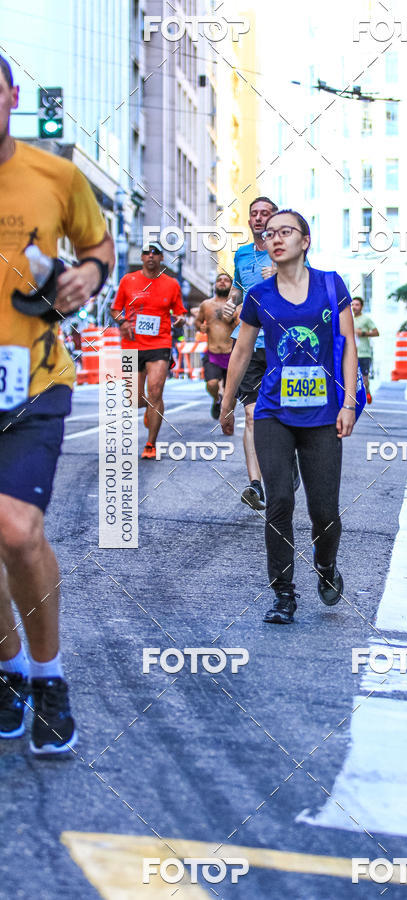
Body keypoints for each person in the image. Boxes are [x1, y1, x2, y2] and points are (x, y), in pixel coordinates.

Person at [0, 55, 115, 755]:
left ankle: (49, 676)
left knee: (15, 530)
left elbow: (97, 244)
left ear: (10, 95)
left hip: (34, 380)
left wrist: (90, 274)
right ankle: (9, 670)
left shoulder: (55, 175)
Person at [220, 210, 358, 625]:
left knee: (324, 511)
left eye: (285, 231)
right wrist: (227, 404)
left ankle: (326, 564)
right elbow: (242, 351)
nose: (275, 238)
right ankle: (283, 595)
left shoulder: (331, 286)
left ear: (305, 240)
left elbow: (348, 345)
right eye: (268, 233)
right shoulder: (259, 295)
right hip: (273, 412)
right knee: (279, 501)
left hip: (322, 415)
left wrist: (348, 403)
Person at [222, 197, 282, 510]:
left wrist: (282, 275)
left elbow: (307, 289)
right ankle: (256, 486)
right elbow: (238, 287)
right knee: (251, 414)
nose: (258, 218)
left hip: (281, 345)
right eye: (254, 214)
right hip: (249, 343)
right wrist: (231, 302)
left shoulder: (289, 252)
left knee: (282, 416)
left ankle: (288, 466)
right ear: (249, 222)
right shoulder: (242, 253)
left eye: (265, 214)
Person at [110, 241, 186, 459]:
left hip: (159, 343)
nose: (151, 256)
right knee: (133, 398)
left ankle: (150, 444)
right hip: (131, 345)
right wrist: (122, 322)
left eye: (155, 253)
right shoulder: (128, 280)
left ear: (161, 258)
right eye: (146, 253)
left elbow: (180, 313)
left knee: (155, 391)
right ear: (141, 258)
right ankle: (149, 408)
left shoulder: (172, 284)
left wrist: (179, 320)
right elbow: (115, 309)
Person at [195, 272, 238, 419]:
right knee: (212, 384)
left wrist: (231, 319)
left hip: (231, 355)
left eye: (226, 280)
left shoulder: (236, 306)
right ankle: (216, 399)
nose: (222, 282)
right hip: (213, 352)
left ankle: (227, 418)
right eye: (219, 280)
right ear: (215, 284)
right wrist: (200, 327)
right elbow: (197, 321)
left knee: (230, 394)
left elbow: (241, 327)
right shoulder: (206, 305)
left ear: (231, 286)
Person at [351, 296, 378, 404]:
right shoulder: (350, 319)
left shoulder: (366, 319)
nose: (354, 307)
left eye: (357, 305)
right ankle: (356, 399)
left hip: (364, 353)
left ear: (361, 306)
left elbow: (376, 332)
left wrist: (363, 333)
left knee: (364, 379)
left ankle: (367, 390)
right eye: (352, 304)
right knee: (352, 377)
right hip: (352, 353)